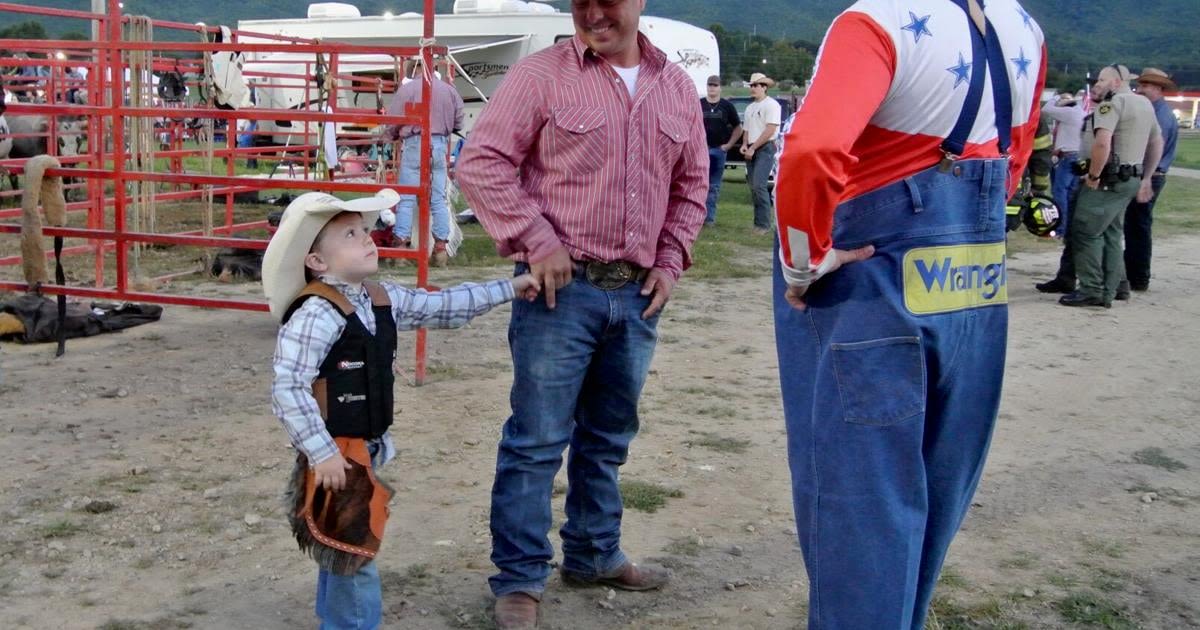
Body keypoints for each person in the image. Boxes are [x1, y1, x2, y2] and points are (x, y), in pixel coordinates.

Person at [771, 0, 1045, 626]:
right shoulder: (1024, 27)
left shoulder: (877, 20)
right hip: (974, 280)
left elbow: (811, 149)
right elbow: (1016, 158)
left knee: (860, 504)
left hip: (873, 279)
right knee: (939, 488)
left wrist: (802, 257)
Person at [455, 0, 707, 627]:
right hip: (557, 294)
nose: (593, 12)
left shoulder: (674, 84)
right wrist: (535, 239)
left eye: (607, 0)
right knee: (537, 439)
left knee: (608, 437)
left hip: (637, 291)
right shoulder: (541, 76)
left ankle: (594, 553)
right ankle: (519, 578)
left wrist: (671, 259)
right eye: (580, 2)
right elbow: (482, 162)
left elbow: (693, 181)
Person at [263, 190, 538, 630]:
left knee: (343, 542)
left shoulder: (379, 298)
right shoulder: (316, 314)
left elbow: (442, 306)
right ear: (316, 261)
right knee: (355, 545)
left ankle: (337, 620)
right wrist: (322, 452)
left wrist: (509, 288)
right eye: (350, 234)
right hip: (339, 453)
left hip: (360, 449)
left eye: (365, 230)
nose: (368, 239)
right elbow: (289, 385)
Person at [1058, 64, 1162, 308]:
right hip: (1130, 177)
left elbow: (1102, 143)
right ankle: (1118, 286)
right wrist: (1146, 177)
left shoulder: (1111, 105)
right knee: (1112, 233)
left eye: (1103, 80)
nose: (1098, 84)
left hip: (1109, 180)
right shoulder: (1144, 104)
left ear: (1116, 82)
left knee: (1086, 231)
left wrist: (1093, 176)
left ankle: (1092, 289)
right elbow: (1157, 141)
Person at [380, 59, 465, 267]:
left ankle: (400, 249)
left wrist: (389, 136)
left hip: (413, 145)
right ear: (433, 69)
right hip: (438, 146)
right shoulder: (449, 91)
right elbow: (459, 122)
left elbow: (394, 121)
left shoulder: (406, 90)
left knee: (407, 199)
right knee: (438, 199)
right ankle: (440, 250)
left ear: (414, 70)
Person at [1121, 67, 1179, 294]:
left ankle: (1138, 276)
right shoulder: (1158, 111)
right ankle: (1134, 273)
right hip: (1150, 175)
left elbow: (1154, 147)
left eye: (1145, 86)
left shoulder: (1159, 116)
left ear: (1157, 88)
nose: (1140, 89)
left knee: (1138, 227)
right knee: (1136, 226)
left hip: (1150, 176)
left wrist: (1144, 178)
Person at [1041, 90, 1087, 237]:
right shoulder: (1080, 113)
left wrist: (1055, 97)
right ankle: (1070, 227)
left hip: (1067, 157)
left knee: (1059, 192)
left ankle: (1061, 228)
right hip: (1076, 156)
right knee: (1071, 194)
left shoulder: (1069, 113)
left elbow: (1046, 109)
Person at [700, 74, 742, 225]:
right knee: (699, 183)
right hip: (701, 150)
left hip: (719, 149)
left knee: (714, 186)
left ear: (720, 87)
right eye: (710, 85)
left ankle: (709, 219)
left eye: (715, 85)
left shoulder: (727, 106)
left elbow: (738, 128)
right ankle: (697, 217)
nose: (712, 88)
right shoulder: (699, 104)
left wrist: (729, 145)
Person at [742, 72, 781, 233]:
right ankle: (758, 223)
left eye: (756, 85)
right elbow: (746, 129)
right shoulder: (750, 107)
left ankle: (764, 224)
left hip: (764, 147)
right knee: (754, 187)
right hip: (751, 146)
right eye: (751, 86)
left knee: (759, 185)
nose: (753, 88)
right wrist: (745, 144)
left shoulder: (771, 105)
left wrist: (753, 147)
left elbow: (770, 129)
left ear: (764, 87)